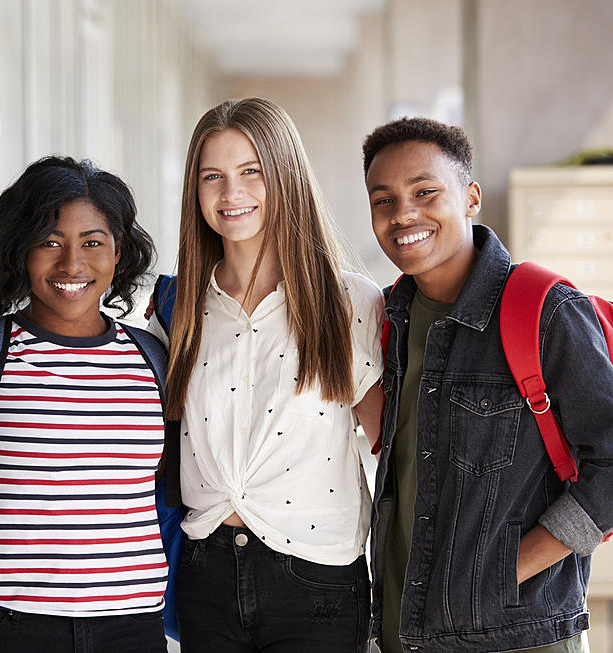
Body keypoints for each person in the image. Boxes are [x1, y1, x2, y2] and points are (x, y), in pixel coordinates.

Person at [362, 116, 613, 652]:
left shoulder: (545, 311)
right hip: (404, 630)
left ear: (471, 197)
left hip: (515, 635)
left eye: (425, 191)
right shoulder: (389, 316)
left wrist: (508, 569)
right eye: (383, 200)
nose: (403, 213)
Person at [147, 97, 385, 652]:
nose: (232, 193)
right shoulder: (178, 307)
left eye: (251, 172)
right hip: (205, 571)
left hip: (315, 575)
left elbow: (389, 448)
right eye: (213, 176)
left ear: (284, 175)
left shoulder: (346, 299)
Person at [0, 156, 168, 653]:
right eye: (50, 242)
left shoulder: (151, 359)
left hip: (131, 627)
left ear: (119, 253)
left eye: (92, 243)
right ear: (20, 251)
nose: (72, 264)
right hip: (8, 626)